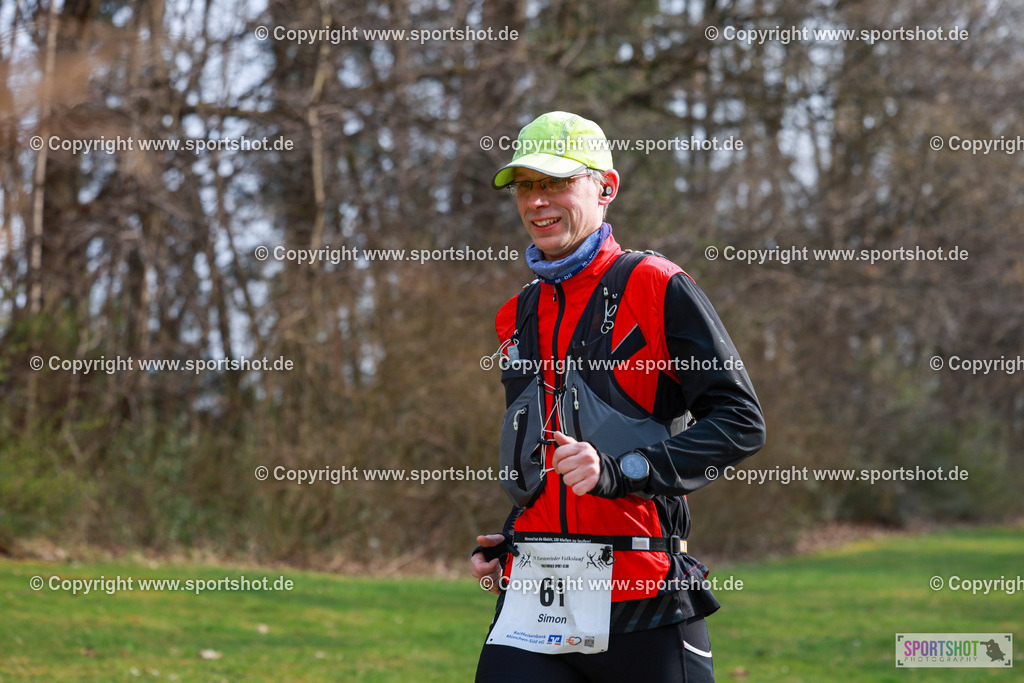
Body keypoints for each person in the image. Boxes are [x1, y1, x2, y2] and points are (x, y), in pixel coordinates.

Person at [472, 111, 765, 683]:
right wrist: (514, 533)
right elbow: (550, 448)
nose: (537, 202)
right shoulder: (517, 312)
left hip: (642, 592)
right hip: (535, 590)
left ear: (606, 188)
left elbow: (740, 422)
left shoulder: (658, 286)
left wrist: (621, 470)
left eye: (556, 183)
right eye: (527, 186)